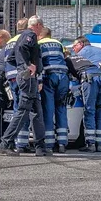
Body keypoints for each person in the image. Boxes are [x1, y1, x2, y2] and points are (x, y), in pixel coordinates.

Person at [0, 15, 48, 157]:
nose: (41, 31)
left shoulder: (20, 37)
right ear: (38, 25)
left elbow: (12, 57)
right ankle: (5, 143)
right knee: (23, 111)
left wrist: (23, 67)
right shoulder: (30, 35)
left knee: (37, 111)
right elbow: (22, 48)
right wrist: (27, 66)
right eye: (41, 28)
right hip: (28, 78)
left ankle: (40, 146)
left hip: (27, 77)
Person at [65, 36, 101, 152]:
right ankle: (100, 143)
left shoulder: (68, 60)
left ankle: (90, 144)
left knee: (89, 110)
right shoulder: (85, 58)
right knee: (100, 109)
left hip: (89, 80)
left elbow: (68, 77)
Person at [38, 26, 70, 154]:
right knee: (61, 108)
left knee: (48, 109)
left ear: (40, 35)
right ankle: (62, 143)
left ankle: (49, 144)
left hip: (49, 76)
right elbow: (66, 55)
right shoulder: (59, 43)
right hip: (63, 76)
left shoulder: (39, 43)